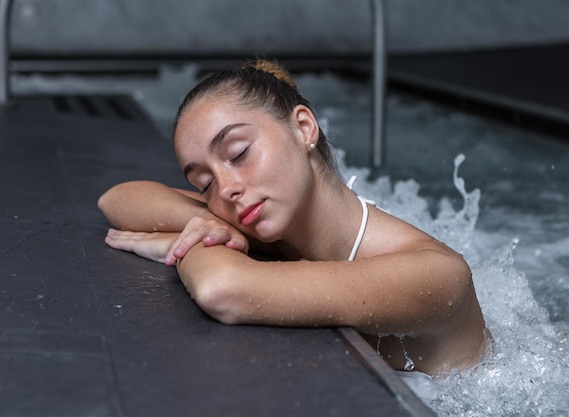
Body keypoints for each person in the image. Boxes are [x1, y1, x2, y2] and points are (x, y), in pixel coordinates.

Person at [98, 60, 491, 376]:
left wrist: (184, 244)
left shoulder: (437, 274)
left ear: (304, 128)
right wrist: (206, 222)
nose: (227, 189)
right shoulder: (254, 214)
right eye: (204, 184)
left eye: (238, 154)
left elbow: (222, 289)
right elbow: (118, 198)